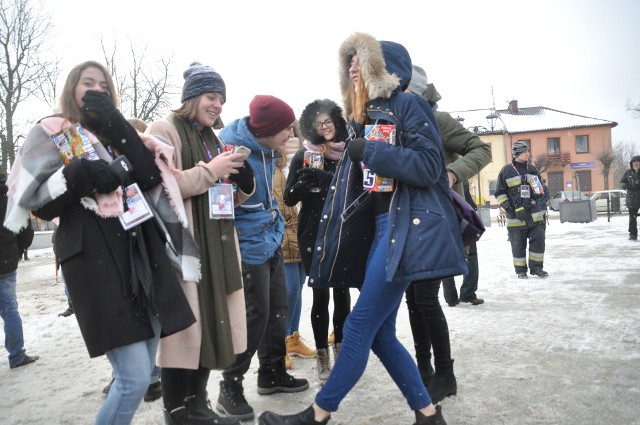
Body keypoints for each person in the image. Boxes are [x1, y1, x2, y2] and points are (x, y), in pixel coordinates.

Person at [259, 32, 466, 425]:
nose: (352, 67)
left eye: (360, 60)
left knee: (356, 326)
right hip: (380, 229)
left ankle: (317, 415)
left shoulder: (410, 105)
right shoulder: (362, 119)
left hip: (402, 228)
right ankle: (427, 413)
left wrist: (366, 151)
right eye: (348, 62)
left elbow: (428, 167)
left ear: (383, 69)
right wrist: (344, 158)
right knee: (381, 334)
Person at [3, 60, 196, 424]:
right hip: (93, 257)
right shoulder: (51, 130)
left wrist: (118, 127)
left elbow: (149, 175)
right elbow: (41, 204)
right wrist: (78, 174)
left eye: (104, 85)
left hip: (140, 251)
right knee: (133, 378)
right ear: (72, 88)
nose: (96, 89)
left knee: (141, 372)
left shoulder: (117, 132)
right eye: (87, 82)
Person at [147, 62, 251, 425]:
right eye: (211, 96)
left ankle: (199, 403)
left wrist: (241, 181)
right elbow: (159, 186)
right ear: (192, 98)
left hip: (217, 244)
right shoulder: (163, 129)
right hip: (184, 246)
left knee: (211, 321)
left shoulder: (214, 139)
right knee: (185, 330)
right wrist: (212, 171)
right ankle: (177, 410)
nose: (218, 105)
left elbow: (219, 197)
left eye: (221, 99)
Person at [213, 94, 309, 422]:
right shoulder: (230, 150)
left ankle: (271, 373)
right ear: (267, 129)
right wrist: (244, 190)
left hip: (270, 240)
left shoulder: (269, 150)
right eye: (286, 129)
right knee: (255, 315)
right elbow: (219, 206)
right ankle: (230, 386)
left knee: (278, 310)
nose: (291, 136)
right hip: (245, 246)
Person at [404, 65, 491, 404]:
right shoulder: (397, 122)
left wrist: (453, 172)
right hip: (408, 221)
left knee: (425, 298)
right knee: (414, 300)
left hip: (438, 220)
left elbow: (481, 148)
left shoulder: (437, 120)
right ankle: (423, 370)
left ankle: (445, 375)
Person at [284, 98, 352, 383]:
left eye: (328, 121)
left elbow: (358, 191)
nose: (324, 127)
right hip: (312, 231)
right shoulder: (303, 155)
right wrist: (303, 183)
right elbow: (289, 198)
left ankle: (343, 352)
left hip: (343, 229)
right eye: (318, 123)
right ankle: (322, 357)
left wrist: (329, 180)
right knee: (321, 294)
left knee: (342, 292)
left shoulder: (350, 153)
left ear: (337, 122)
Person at [272, 122, 316, 370]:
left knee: (297, 287)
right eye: (285, 130)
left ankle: (293, 337)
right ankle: (279, 345)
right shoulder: (273, 164)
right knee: (287, 291)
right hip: (283, 233)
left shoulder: (302, 161)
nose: (290, 135)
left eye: (293, 130)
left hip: (301, 231)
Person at [1, 172, 39, 369]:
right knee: (10, 310)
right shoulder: (12, 196)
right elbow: (26, 229)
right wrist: (17, 251)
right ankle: (16, 355)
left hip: (7, 259)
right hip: (6, 261)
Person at [495, 141, 549, 278]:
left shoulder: (532, 169)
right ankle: (520, 271)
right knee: (518, 245)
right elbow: (499, 193)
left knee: (538, 241)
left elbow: (540, 189)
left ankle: (537, 268)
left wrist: (539, 193)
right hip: (515, 217)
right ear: (516, 153)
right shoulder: (506, 171)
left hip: (535, 215)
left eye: (528, 151)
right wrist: (511, 209)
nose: (527, 154)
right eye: (524, 151)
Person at [442, 181, 484, 306]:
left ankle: (451, 297)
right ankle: (468, 293)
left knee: (446, 257)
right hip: (462, 220)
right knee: (470, 255)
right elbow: (467, 200)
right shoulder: (457, 174)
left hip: (443, 219)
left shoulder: (432, 171)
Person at [620, 155, 640, 240]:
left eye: (637, 161)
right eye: (634, 162)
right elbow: (622, 183)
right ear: (631, 164)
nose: (636, 163)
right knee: (632, 218)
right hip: (632, 199)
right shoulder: (628, 172)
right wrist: (629, 185)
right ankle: (633, 234)